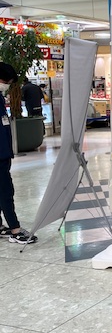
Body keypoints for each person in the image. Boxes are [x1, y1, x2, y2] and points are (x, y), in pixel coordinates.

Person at [0, 63, 38, 244]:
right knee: (6, 191)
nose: (7, 85)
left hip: (3, 152)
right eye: (6, 81)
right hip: (0, 154)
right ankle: (15, 230)